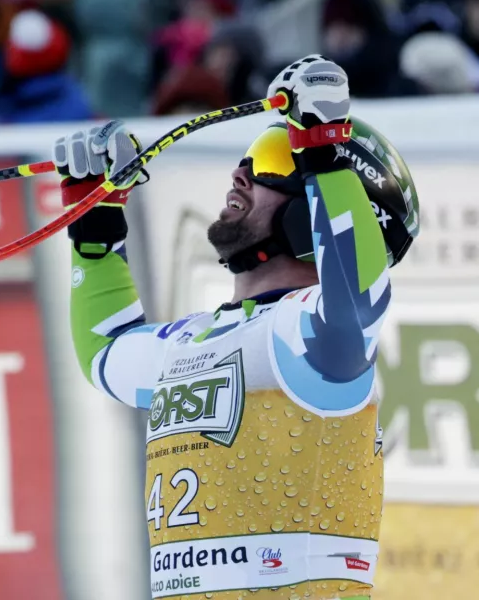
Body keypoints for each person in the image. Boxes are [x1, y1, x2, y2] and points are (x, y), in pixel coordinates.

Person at [56, 55, 419, 599]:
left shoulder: (306, 336)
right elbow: (104, 352)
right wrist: (96, 233)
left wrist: (322, 147)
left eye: (275, 157)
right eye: (248, 157)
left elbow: (357, 298)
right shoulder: (189, 342)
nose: (241, 172)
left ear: (314, 208)